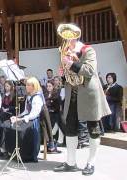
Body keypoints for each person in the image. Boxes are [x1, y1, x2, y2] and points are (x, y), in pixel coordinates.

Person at [54, 23, 111, 175]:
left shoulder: (88, 50)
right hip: (72, 93)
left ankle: (91, 163)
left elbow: (90, 70)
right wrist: (63, 73)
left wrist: (72, 63)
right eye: (65, 38)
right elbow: (68, 75)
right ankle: (70, 162)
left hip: (88, 94)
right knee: (70, 128)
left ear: (76, 37)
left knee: (93, 128)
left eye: (70, 39)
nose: (67, 42)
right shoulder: (64, 51)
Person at [0, 77, 43, 162]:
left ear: (34, 86)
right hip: (26, 118)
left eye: (28, 85)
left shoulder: (37, 98)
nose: (26, 87)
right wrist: (18, 117)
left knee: (19, 130)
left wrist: (20, 119)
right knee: (6, 124)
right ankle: (6, 150)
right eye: (26, 85)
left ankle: (24, 154)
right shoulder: (28, 97)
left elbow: (34, 114)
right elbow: (26, 111)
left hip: (32, 122)